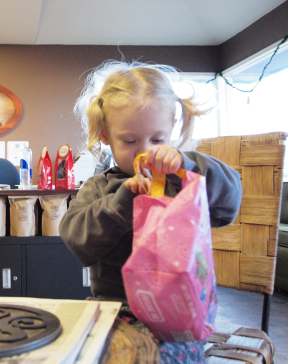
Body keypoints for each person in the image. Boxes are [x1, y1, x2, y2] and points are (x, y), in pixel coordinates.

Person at [59, 60, 242, 364]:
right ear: (105, 135)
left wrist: (189, 165)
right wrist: (124, 199)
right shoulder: (99, 188)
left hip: (179, 319)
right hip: (117, 312)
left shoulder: (184, 177)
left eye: (157, 139)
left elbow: (229, 205)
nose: (145, 150)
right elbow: (77, 240)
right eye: (130, 141)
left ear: (172, 129)